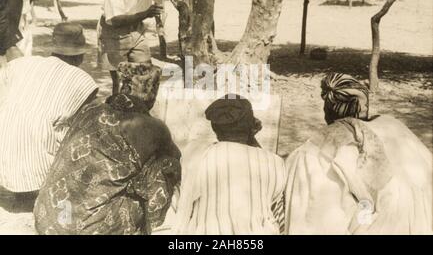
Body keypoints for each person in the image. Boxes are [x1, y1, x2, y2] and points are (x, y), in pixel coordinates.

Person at [33, 62, 181, 235]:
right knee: (166, 165)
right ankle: (156, 227)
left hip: (49, 217)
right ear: (153, 94)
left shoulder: (92, 108)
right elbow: (175, 156)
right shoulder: (151, 126)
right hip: (87, 229)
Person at [284, 73, 432, 235]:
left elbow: (315, 218)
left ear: (327, 109)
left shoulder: (319, 149)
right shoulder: (395, 127)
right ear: (365, 107)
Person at [0, 23, 98, 200]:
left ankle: (25, 185)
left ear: (53, 48)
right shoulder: (83, 80)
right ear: (80, 55)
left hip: (5, 161)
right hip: (40, 166)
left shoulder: (22, 64)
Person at [172, 94, 287, 235]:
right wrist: (251, 136)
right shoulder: (275, 163)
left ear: (215, 128)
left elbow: (182, 202)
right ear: (252, 126)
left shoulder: (196, 154)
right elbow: (277, 212)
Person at [98, 0, 205, 94]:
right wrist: (145, 14)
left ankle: (140, 109)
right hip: (113, 33)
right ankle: (118, 112)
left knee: (146, 75)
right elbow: (115, 20)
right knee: (120, 80)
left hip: (136, 29)